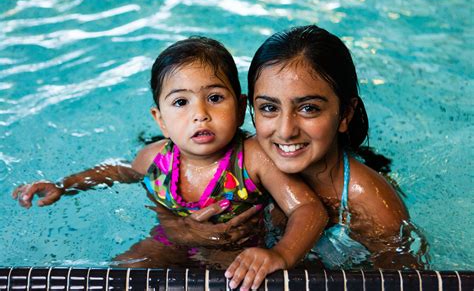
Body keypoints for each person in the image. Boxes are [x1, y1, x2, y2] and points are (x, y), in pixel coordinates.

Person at [12, 36, 328, 290]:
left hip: (236, 251)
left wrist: (280, 254)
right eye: (180, 102)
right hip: (170, 241)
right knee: (125, 271)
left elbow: (308, 209)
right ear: (160, 120)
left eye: (215, 98)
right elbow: (120, 172)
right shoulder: (155, 157)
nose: (200, 113)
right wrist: (64, 186)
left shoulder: (254, 157)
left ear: (242, 105)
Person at [149, 25, 429, 270]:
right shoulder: (237, 159)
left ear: (345, 114)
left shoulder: (373, 206)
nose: (285, 130)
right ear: (250, 111)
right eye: (269, 108)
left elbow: (407, 281)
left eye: (308, 108)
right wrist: (179, 230)